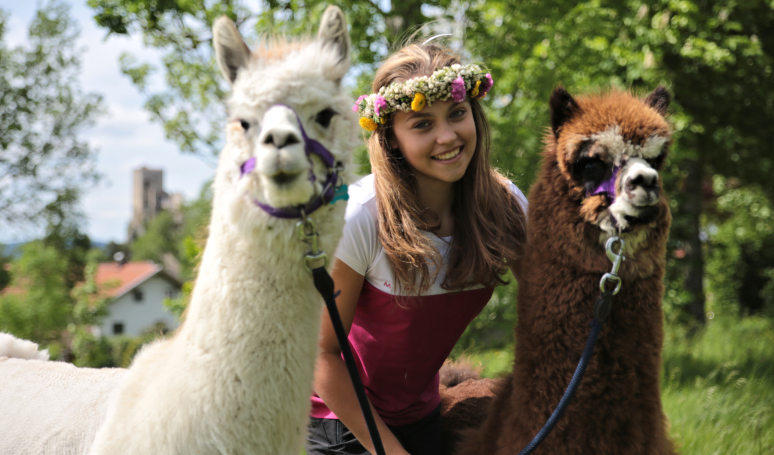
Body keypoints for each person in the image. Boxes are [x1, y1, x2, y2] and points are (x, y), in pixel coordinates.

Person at [306, 42, 528, 455]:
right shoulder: (359, 218)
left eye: (457, 114)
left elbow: (554, 304)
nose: (447, 136)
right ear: (391, 139)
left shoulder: (506, 207)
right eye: (422, 124)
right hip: (336, 423)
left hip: (420, 416)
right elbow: (319, 354)